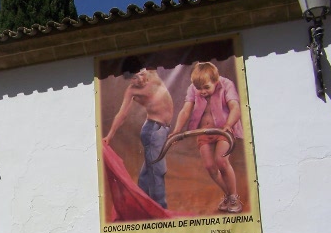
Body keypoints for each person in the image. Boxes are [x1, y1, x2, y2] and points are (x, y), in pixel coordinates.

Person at [170, 62, 244, 213]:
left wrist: (229, 124)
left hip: (224, 130)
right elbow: (185, 110)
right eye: (199, 88)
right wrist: (177, 130)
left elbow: (235, 107)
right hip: (203, 132)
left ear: (215, 81)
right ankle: (230, 195)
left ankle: (234, 198)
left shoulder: (226, 84)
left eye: (206, 88)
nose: (202, 91)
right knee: (210, 167)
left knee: (221, 161)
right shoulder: (193, 88)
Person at [103, 57, 173, 209]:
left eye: (141, 74)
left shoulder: (152, 73)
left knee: (149, 170)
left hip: (162, 129)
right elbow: (121, 115)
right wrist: (109, 136)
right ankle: (160, 210)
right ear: (130, 80)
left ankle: (140, 202)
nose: (140, 79)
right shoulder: (132, 91)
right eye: (134, 78)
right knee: (157, 171)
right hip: (153, 131)